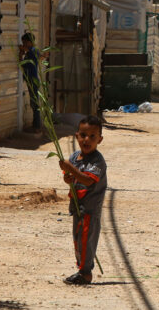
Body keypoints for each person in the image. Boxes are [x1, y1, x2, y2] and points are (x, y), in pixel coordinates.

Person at [59, 115, 107, 285]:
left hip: (90, 209)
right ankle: (81, 268)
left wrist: (70, 168)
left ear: (99, 140)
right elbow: (70, 178)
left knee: (87, 240)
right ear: (77, 136)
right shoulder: (74, 158)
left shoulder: (97, 161)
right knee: (78, 240)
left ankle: (86, 273)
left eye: (92, 137)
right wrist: (68, 177)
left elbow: (87, 180)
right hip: (77, 206)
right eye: (83, 135)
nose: (87, 140)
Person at [18, 32, 42, 131]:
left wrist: (22, 51)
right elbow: (23, 64)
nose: (23, 44)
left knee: (34, 102)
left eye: (24, 42)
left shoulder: (33, 50)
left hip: (33, 79)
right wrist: (21, 54)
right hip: (30, 78)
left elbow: (30, 51)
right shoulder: (29, 52)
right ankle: (35, 124)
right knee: (33, 102)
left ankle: (37, 125)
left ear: (29, 42)